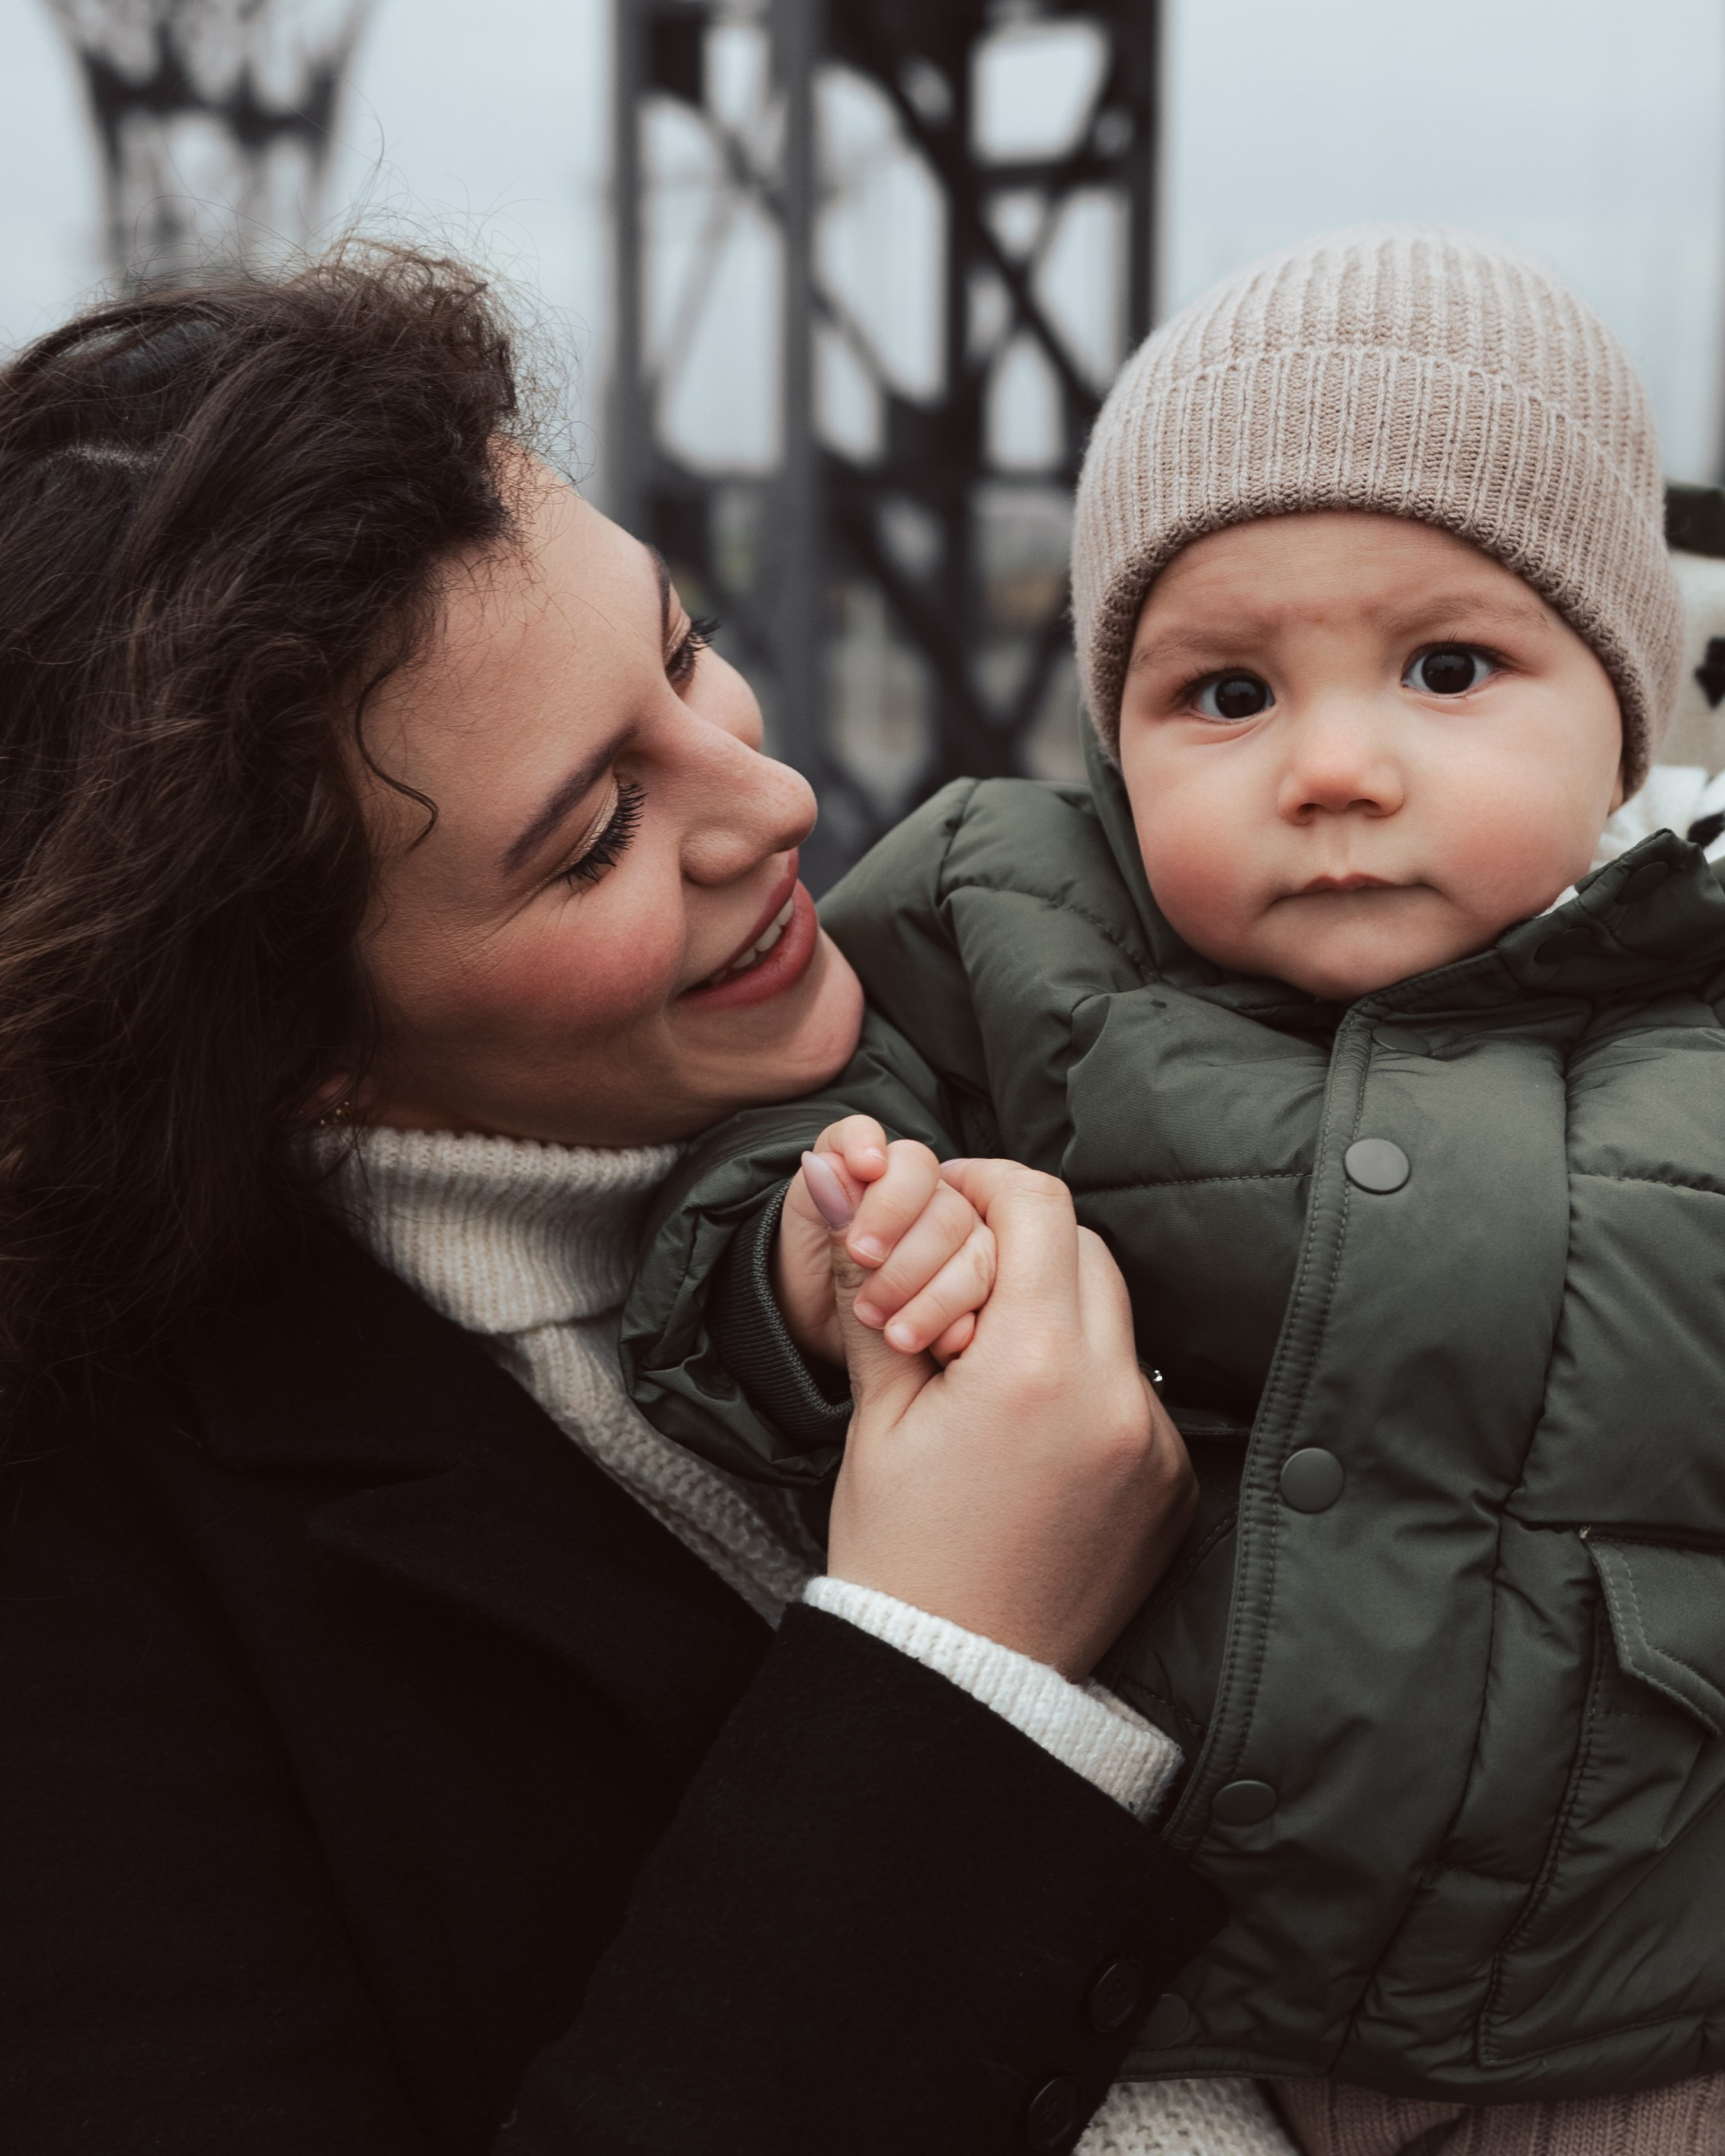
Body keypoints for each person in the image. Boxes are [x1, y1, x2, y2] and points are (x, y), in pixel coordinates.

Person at [0, 244, 1225, 2155]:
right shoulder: (90, 1597)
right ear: (284, 1038)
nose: (778, 797)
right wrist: (951, 1666)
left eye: (679, 649)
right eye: (593, 840)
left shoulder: (1026, 1024)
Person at [622, 227, 1725, 2154]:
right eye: (1221, 695)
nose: (1330, 766)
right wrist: (817, 1263)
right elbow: (755, 1165)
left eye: (1447, 668)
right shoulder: (1011, 920)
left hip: (1611, 2032)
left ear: (1620, 705)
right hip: (1118, 2010)